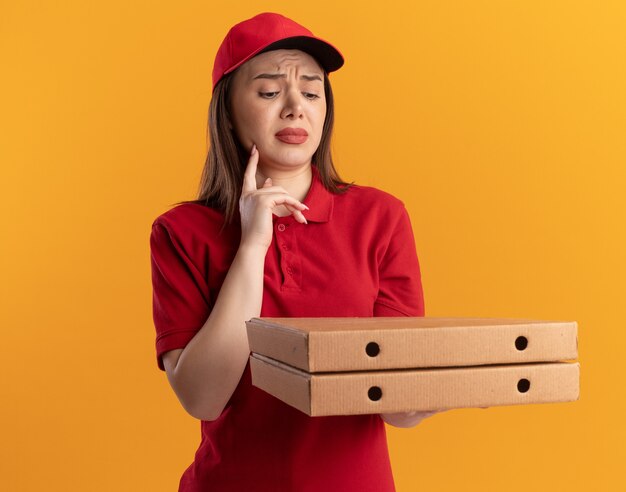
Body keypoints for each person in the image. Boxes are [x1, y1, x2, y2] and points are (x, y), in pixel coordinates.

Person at [149, 12, 440, 492]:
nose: (294, 108)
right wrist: (252, 246)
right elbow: (203, 397)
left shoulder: (381, 218)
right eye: (268, 92)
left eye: (311, 92)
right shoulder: (180, 232)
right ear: (226, 108)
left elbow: (396, 405)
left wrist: (444, 386)